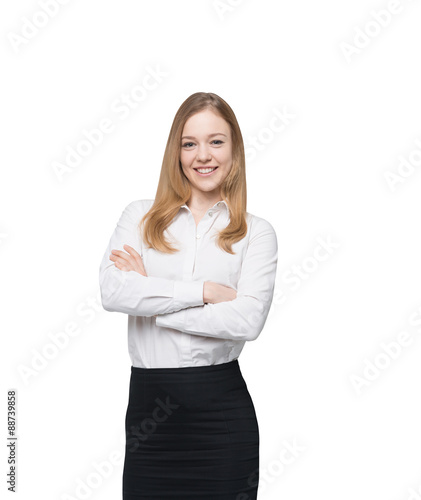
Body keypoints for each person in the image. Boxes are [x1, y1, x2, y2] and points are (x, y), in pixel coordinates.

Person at [98, 92, 278, 499]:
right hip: (150, 412)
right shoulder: (139, 217)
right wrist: (205, 293)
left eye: (216, 141)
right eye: (189, 143)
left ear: (234, 150)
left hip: (221, 417)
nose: (203, 155)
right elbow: (113, 291)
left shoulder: (256, 232)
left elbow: (246, 321)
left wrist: (153, 304)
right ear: (175, 151)